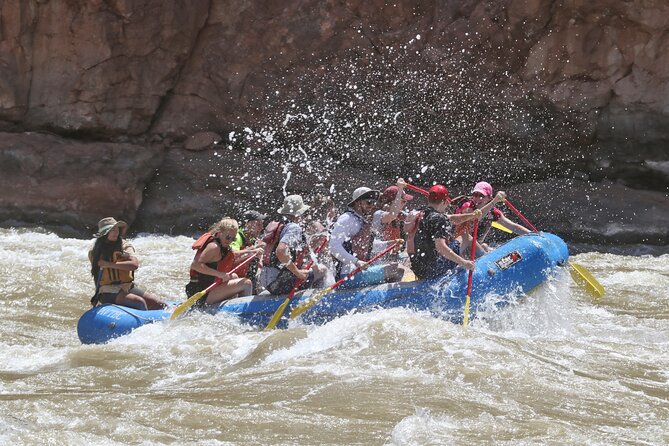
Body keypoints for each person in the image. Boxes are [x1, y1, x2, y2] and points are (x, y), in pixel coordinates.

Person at [410, 185, 499, 280]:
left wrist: (472, 216)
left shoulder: (424, 214)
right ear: (443, 201)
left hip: (419, 269)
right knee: (466, 237)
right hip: (433, 269)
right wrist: (463, 262)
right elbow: (441, 248)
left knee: (461, 238)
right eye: (446, 202)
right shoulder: (439, 219)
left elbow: (451, 218)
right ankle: (489, 263)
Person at [330, 186, 405, 288]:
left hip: (357, 273)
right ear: (357, 202)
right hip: (347, 275)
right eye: (369, 202)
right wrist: (356, 262)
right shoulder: (346, 219)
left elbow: (367, 245)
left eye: (373, 203)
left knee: (396, 267)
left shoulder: (361, 220)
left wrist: (389, 244)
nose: (372, 206)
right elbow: (334, 247)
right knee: (397, 269)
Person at [89, 217, 166, 310]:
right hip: (107, 290)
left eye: (117, 229)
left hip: (127, 287)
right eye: (112, 230)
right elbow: (97, 275)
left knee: (159, 304)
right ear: (104, 234)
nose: (116, 232)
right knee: (139, 302)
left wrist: (109, 264)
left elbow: (134, 265)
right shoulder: (94, 252)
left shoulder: (125, 246)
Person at [260, 195, 327, 295]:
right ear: (298, 213)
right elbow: (280, 251)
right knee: (322, 270)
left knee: (310, 268)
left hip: (266, 279)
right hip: (278, 282)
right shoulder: (294, 227)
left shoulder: (279, 224)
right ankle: (317, 300)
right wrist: (298, 273)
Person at [187, 218, 255, 306]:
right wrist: (220, 274)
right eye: (228, 237)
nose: (230, 241)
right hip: (201, 293)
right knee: (246, 283)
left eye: (233, 239)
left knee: (233, 276)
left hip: (209, 288)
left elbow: (232, 255)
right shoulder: (214, 247)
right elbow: (195, 265)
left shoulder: (222, 244)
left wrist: (251, 252)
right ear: (219, 233)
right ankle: (243, 312)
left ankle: (231, 306)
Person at [456, 181, 529, 256]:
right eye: (475, 195)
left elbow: (513, 227)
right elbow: (476, 217)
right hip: (460, 247)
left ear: (489, 198)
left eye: (481, 195)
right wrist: (494, 201)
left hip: (473, 249)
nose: (477, 198)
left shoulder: (493, 212)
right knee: (479, 245)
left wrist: (534, 235)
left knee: (485, 246)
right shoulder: (467, 206)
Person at [371, 178, 414, 260]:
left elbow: (416, 218)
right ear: (392, 202)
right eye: (403, 201)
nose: (405, 204)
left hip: (390, 256)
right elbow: (392, 214)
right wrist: (400, 189)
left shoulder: (400, 215)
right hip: (376, 258)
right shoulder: (378, 214)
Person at [230, 210, 267, 287]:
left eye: (262, 225)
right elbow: (231, 258)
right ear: (247, 224)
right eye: (258, 224)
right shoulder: (237, 237)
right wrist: (252, 252)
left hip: (245, 279)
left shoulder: (253, 239)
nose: (261, 228)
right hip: (231, 279)